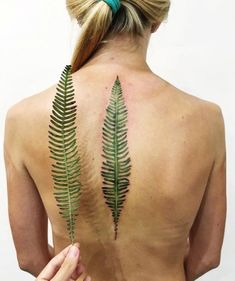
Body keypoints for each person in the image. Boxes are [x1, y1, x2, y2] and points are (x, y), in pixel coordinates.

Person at [3, 0, 226, 280]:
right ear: (156, 20)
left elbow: (30, 257)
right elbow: (206, 257)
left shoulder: (22, 118)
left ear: (80, 13)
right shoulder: (206, 118)